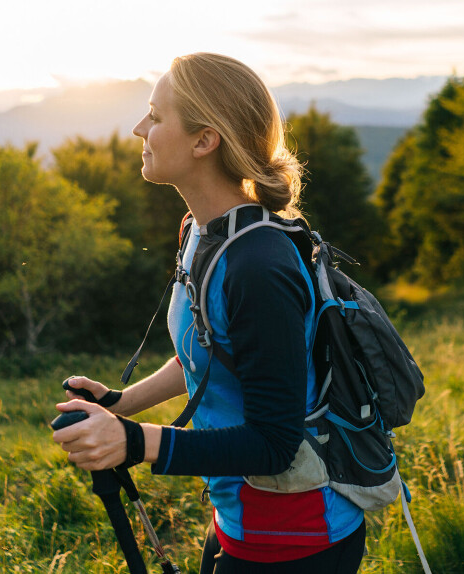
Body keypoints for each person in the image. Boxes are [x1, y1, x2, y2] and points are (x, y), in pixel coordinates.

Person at [52, 52, 366, 574]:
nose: (139, 129)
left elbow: (273, 444)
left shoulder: (258, 266)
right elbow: (212, 350)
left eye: (156, 116)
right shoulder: (200, 233)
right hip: (238, 522)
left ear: (204, 141)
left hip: (298, 540)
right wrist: (123, 402)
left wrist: (133, 442)